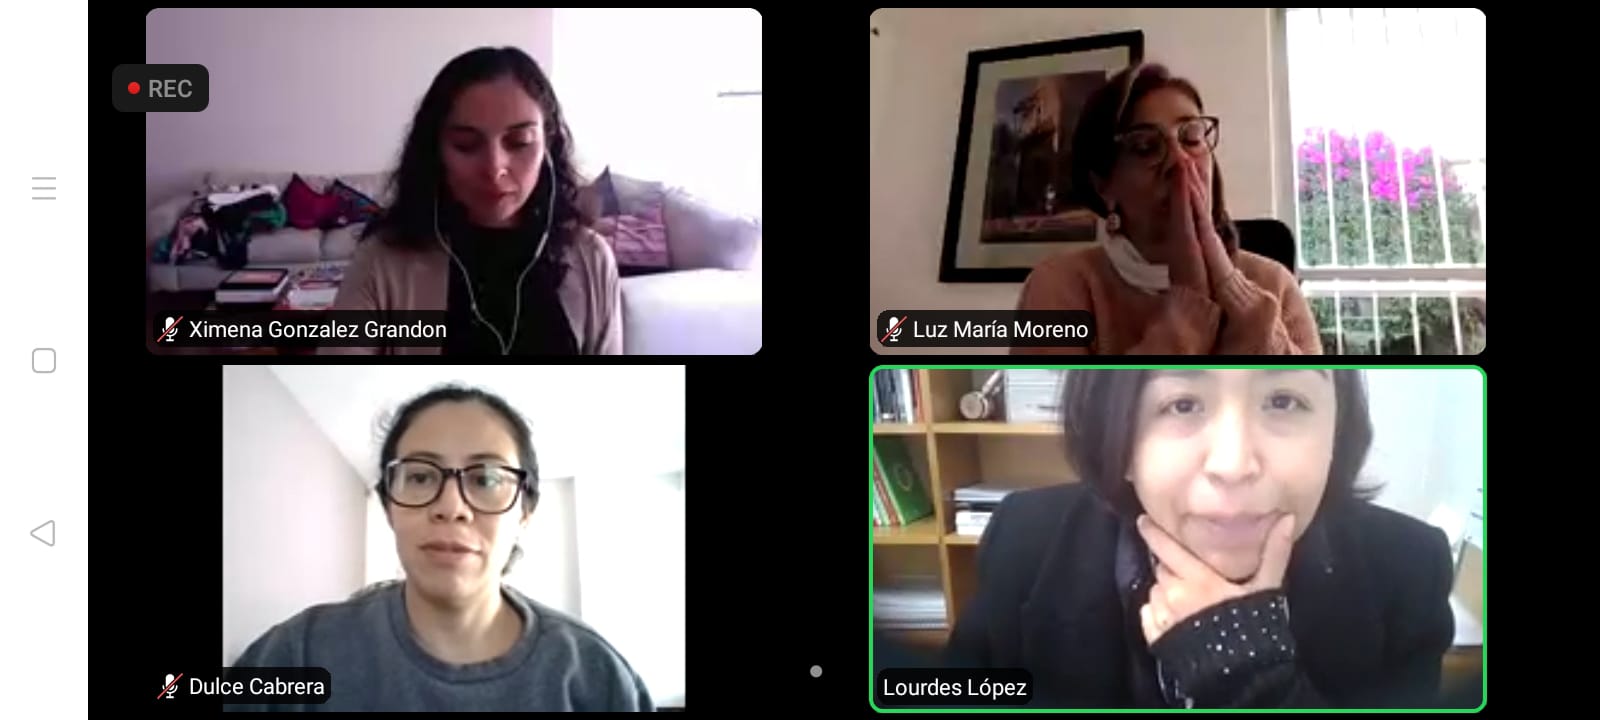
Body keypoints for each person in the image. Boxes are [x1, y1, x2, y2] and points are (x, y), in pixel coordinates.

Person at [946, 369, 1454, 708]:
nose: (1233, 465)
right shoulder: (1025, 539)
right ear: (1118, 442)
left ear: (1336, 436)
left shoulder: (1408, 568)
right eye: (1182, 404)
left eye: (1284, 400)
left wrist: (1257, 681)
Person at [229, 385, 652, 711]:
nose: (451, 507)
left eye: (486, 479)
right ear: (389, 505)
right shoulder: (299, 652)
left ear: (525, 511)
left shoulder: (597, 677)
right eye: (420, 477)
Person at [325, 47, 622, 355]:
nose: (494, 169)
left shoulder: (591, 258)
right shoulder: (381, 261)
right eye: (466, 145)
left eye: (519, 142)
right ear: (436, 151)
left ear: (548, 145)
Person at [1012, 64, 1321, 355]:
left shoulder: (1274, 283)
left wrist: (1232, 289)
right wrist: (1186, 311)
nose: (1180, 161)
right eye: (1145, 147)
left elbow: (1309, 392)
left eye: (1192, 137)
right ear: (1103, 185)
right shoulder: (1059, 286)